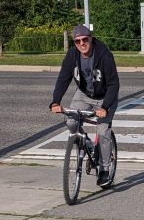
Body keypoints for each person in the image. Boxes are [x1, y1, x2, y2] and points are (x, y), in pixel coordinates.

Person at [50, 24, 120, 186]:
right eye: (77, 41)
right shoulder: (73, 55)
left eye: (85, 39)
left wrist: (105, 107)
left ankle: (104, 169)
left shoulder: (104, 55)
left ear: (91, 38)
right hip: (84, 94)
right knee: (71, 121)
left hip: (105, 97)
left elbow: (113, 84)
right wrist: (55, 101)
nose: (82, 43)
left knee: (102, 131)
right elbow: (63, 78)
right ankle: (86, 143)